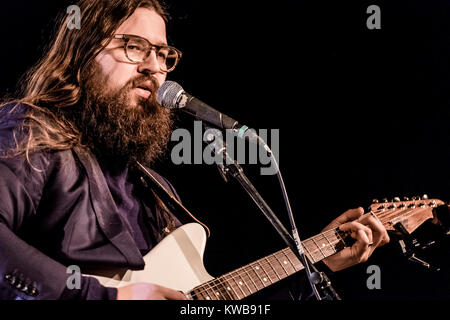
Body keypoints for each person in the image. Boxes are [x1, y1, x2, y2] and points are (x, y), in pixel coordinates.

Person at [0, 0, 389, 300]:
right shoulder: (34, 132)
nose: (154, 67)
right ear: (83, 52)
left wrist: (315, 263)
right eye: (135, 47)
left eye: (163, 55)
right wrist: (105, 296)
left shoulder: (157, 191)